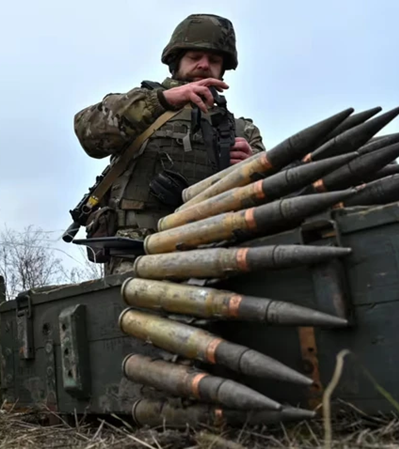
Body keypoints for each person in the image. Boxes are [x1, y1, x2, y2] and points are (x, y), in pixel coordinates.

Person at [72, 13, 266, 275]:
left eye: (214, 60)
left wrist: (250, 167)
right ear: (176, 61)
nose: (204, 65)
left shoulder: (243, 131)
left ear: (223, 68)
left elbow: (268, 197)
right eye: (194, 58)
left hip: (215, 253)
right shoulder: (140, 108)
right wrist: (161, 101)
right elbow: (88, 133)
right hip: (137, 252)